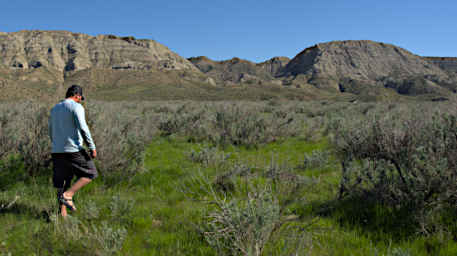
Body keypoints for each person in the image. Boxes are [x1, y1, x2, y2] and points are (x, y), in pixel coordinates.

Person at [48, 85, 97, 217]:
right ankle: (69, 195)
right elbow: (83, 127)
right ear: (77, 95)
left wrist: (56, 145)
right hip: (73, 149)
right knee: (90, 173)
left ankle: (62, 215)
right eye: (80, 98)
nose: (80, 101)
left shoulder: (54, 109)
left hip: (57, 150)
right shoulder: (76, 107)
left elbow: (50, 130)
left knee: (63, 182)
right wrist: (91, 147)